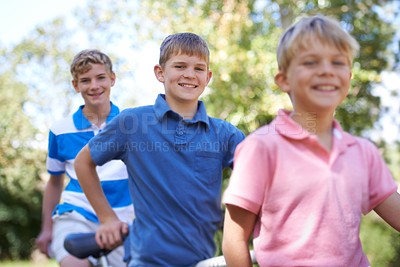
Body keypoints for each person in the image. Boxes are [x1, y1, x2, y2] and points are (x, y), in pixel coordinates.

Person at [222, 15, 400, 267]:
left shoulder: (363, 152)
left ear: (348, 78)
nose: (326, 70)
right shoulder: (260, 148)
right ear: (284, 80)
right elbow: (233, 240)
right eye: (311, 62)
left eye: (337, 62)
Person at [74, 32, 245, 266]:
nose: (189, 74)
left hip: (204, 259)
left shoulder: (225, 134)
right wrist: (106, 218)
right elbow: (83, 162)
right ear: (160, 72)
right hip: (147, 260)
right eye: (180, 66)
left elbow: (261, 176)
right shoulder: (132, 123)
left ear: (208, 76)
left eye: (198, 68)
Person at [35, 49, 135, 267]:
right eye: (85, 80)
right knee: (74, 264)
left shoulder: (132, 125)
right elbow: (54, 182)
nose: (94, 86)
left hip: (123, 220)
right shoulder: (60, 131)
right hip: (77, 214)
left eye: (100, 78)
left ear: (112, 79)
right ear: (75, 85)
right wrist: (46, 229)